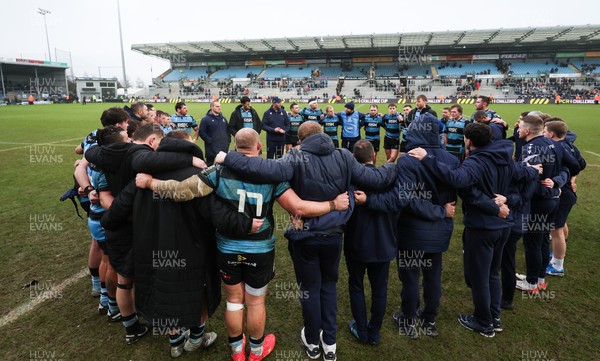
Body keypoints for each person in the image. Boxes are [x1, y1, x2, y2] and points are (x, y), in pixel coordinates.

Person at [214, 122, 423, 361]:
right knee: (328, 287)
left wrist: (229, 157)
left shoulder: (297, 156)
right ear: (322, 135)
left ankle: (313, 341)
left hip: (305, 235)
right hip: (333, 235)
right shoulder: (343, 155)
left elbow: (265, 168)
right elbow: (373, 177)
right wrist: (397, 164)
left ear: (301, 140)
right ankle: (329, 343)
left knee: (310, 289)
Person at [138, 128, 351, 361]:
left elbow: (181, 191)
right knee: (256, 301)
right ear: (259, 147)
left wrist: (150, 183)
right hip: (260, 249)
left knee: (234, 301)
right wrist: (333, 204)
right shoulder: (272, 174)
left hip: (228, 249)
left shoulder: (218, 170)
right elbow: (298, 207)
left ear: (235, 147)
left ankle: (237, 352)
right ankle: (256, 351)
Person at [408, 123, 538, 338]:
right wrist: (524, 182)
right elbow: (524, 178)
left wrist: (426, 158)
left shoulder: (477, 162)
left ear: (469, 141)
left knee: (478, 276)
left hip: (483, 227)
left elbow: (455, 179)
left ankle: (483, 321)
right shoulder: (505, 156)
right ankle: (494, 317)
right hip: (504, 226)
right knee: (492, 273)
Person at [359, 114, 458, 339]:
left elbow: (404, 198)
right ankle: (428, 320)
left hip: (414, 229)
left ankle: (409, 319)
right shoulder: (451, 159)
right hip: (439, 229)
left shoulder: (408, 159)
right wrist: (441, 211)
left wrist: (438, 211)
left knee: (412, 277)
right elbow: (452, 196)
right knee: (433, 277)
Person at [515, 115, 577, 293]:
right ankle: (539, 279)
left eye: (520, 127)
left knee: (533, 243)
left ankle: (532, 283)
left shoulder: (531, 147)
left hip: (538, 201)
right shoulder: (556, 144)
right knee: (542, 240)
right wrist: (557, 183)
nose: (518, 130)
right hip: (552, 200)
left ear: (527, 131)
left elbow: (529, 178)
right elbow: (571, 167)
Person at [543, 120, 586, 277]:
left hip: (563, 192)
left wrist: (565, 180)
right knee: (560, 225)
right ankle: (557, 252)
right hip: (567, 190)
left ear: (551, 134)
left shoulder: (558, 147)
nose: (543, 134)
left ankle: (557, 265)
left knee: (556, 229)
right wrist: (572, 179)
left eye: (545, 131)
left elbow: (575, 165)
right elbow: (582, 164)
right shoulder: (570, 145)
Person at [199, 101, 231, 166]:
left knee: (223, 166)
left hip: (223, 147)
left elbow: (228, 130)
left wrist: (228, 140)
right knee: (209, 166)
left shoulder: (223, 119)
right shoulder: (205, 119)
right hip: (211, 148)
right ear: (211, 107)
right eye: (217, 106)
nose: (219, 108)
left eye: (220, 106)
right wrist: (210, 140)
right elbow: (202, 132)